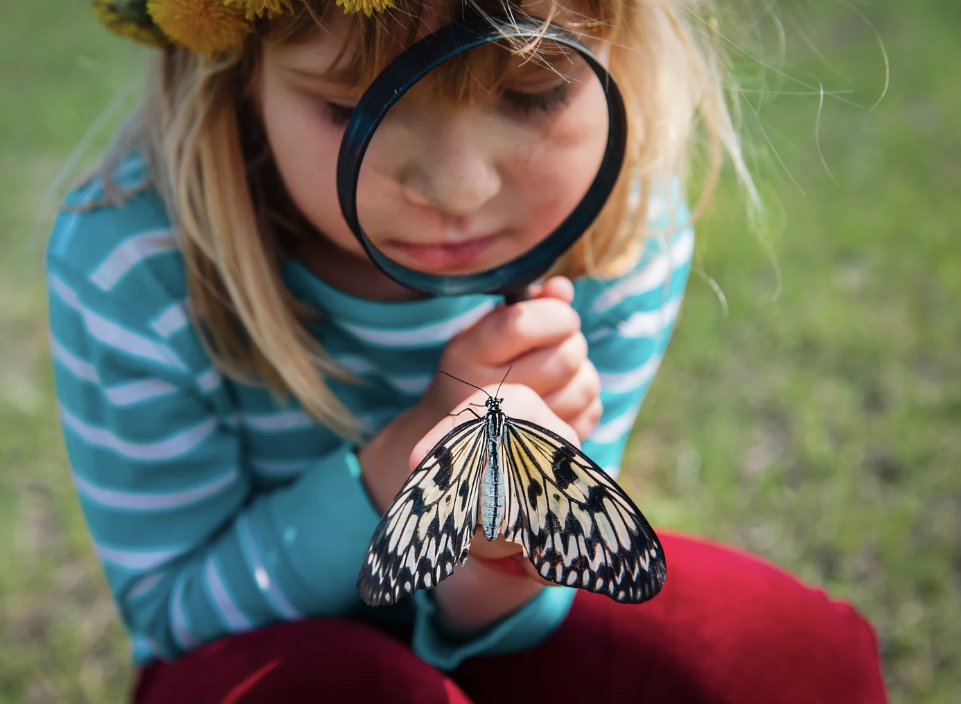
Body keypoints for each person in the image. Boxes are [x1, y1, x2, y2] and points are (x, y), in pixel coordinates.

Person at [46, 0, 888, 701]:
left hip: (494, 623)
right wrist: (393, 469)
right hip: (259, 660)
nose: (459, 189)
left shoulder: (625, 234)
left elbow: (526, 609)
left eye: (534, 93)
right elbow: (174, 615)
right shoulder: (132, 265)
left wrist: (499, 550)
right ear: (236, 79)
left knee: (802, 660)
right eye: (350, 109)